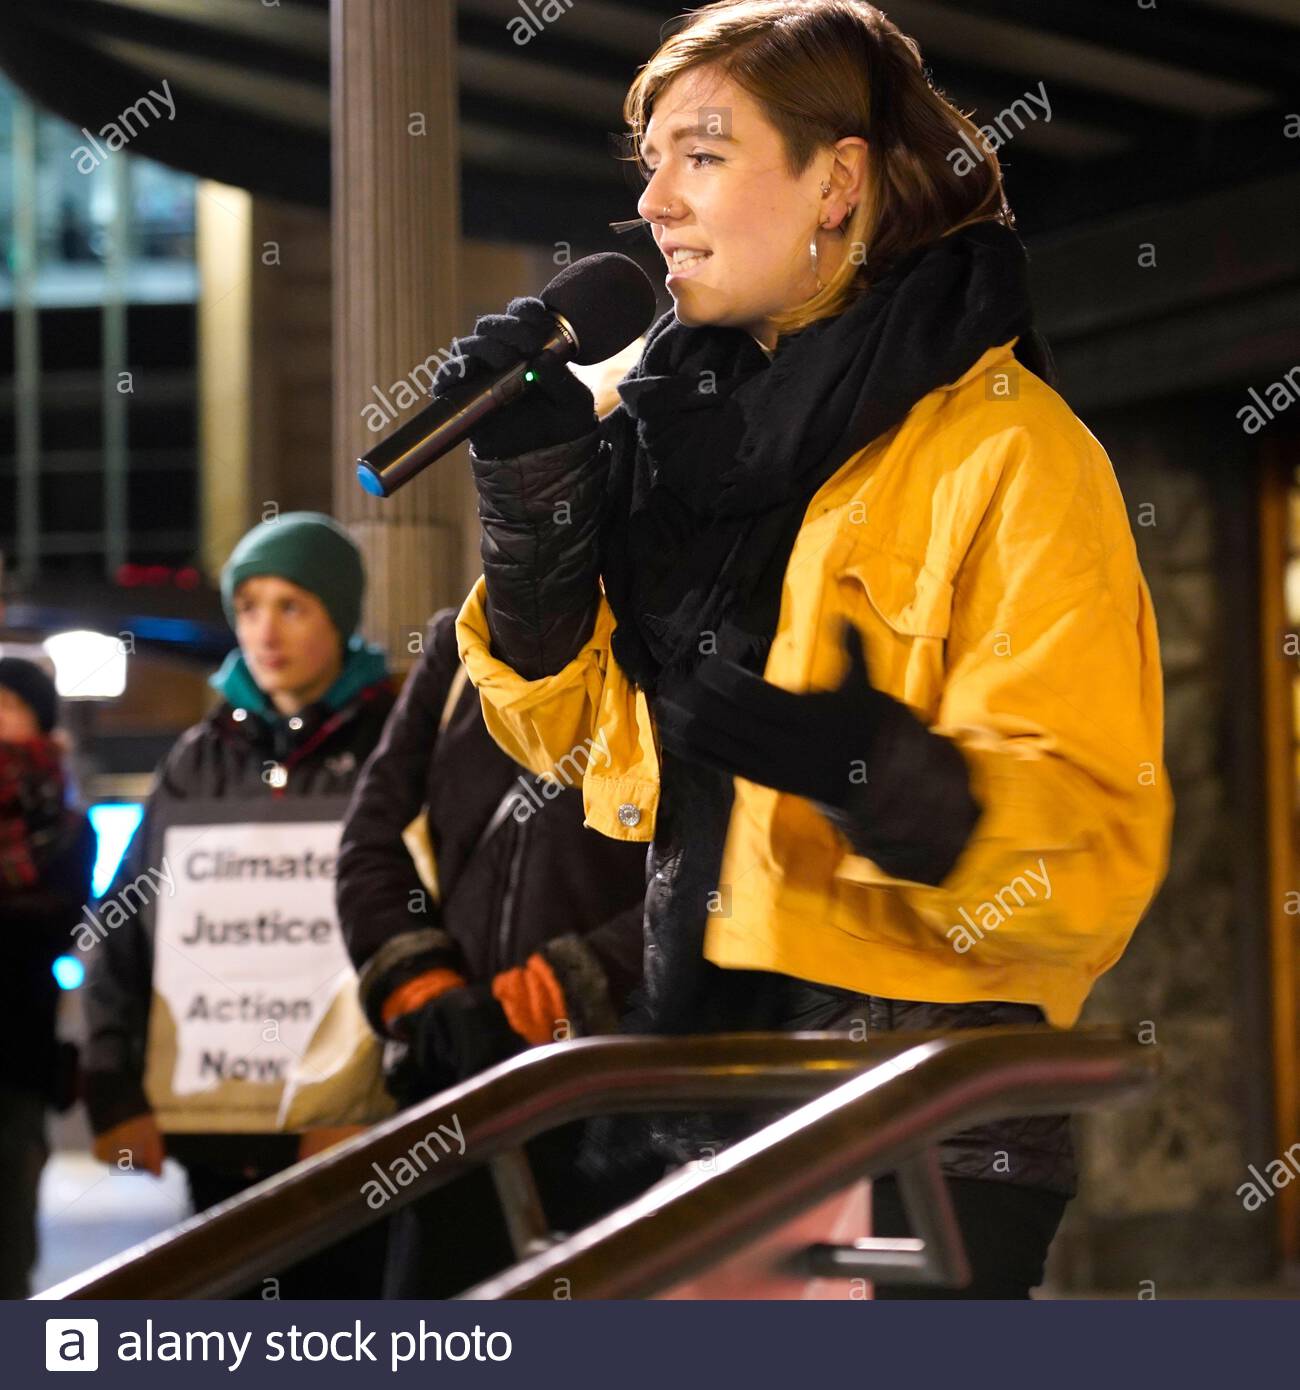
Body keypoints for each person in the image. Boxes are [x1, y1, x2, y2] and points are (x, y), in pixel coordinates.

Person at [442, 0, 1173, 1298]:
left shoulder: (1012, 450)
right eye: (648, 161)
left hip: (925, 1115)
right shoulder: (658, 433)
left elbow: (1096, 847)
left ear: (838, 179)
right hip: (700, 1083)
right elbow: (571, 743)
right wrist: (535, 498)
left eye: (703, 153)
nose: (656, 201)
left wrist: (884, 778)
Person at [80, 512, 396, 1298]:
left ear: (340, 615)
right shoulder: (198, 758)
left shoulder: (395, 743)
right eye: (249, 606)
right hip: (219, 1138)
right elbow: (122, 929)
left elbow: (426, 929)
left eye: (293, 605)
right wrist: (114, 1090)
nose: (265, 630)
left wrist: (383, 1104)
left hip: (356, 1143)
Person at [337, 597, 652, 1297]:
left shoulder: (676, 626)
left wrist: (543, 997)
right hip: (460, 1078)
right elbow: (368, 841)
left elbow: (721, 871)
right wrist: (428, 993)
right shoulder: (461, 642)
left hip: (618, 1094)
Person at [0, 657, 95, 1298]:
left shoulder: (66, 823)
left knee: (7, 1232)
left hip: (15, 1055)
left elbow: (60, 923)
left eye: (8, 707)